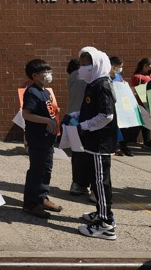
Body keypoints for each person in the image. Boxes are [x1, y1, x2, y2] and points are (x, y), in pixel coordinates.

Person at [70, 47, 118, 240]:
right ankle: (101, 212)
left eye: (85, 65)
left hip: (101, 144)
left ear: (96, 65)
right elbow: (92, 109)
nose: (81, 69)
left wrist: (84, 125)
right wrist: (76, 116)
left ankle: (105, 224)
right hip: (92, 142)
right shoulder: (93, 83)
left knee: (100, 182)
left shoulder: (102, 85)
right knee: (96, 181)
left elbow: (106, 115)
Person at [20, 59, 62, 219]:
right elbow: (26, 114)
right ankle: (31, 204)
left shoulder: (45, 91)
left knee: (46, 169)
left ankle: (42, 197)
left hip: (47, 138)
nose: (49, 74)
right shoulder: (32, 92)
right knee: (36, 170)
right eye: (46, 72)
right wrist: (46, 120)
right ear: (35, 75)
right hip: (37, 138)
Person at [66, 56, 91, 196]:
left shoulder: (73, 76)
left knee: (77, 154)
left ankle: (77, 184)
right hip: (85, 120)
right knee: (88, 154)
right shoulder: (91, 77)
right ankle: (87, 185)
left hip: (72, 119)